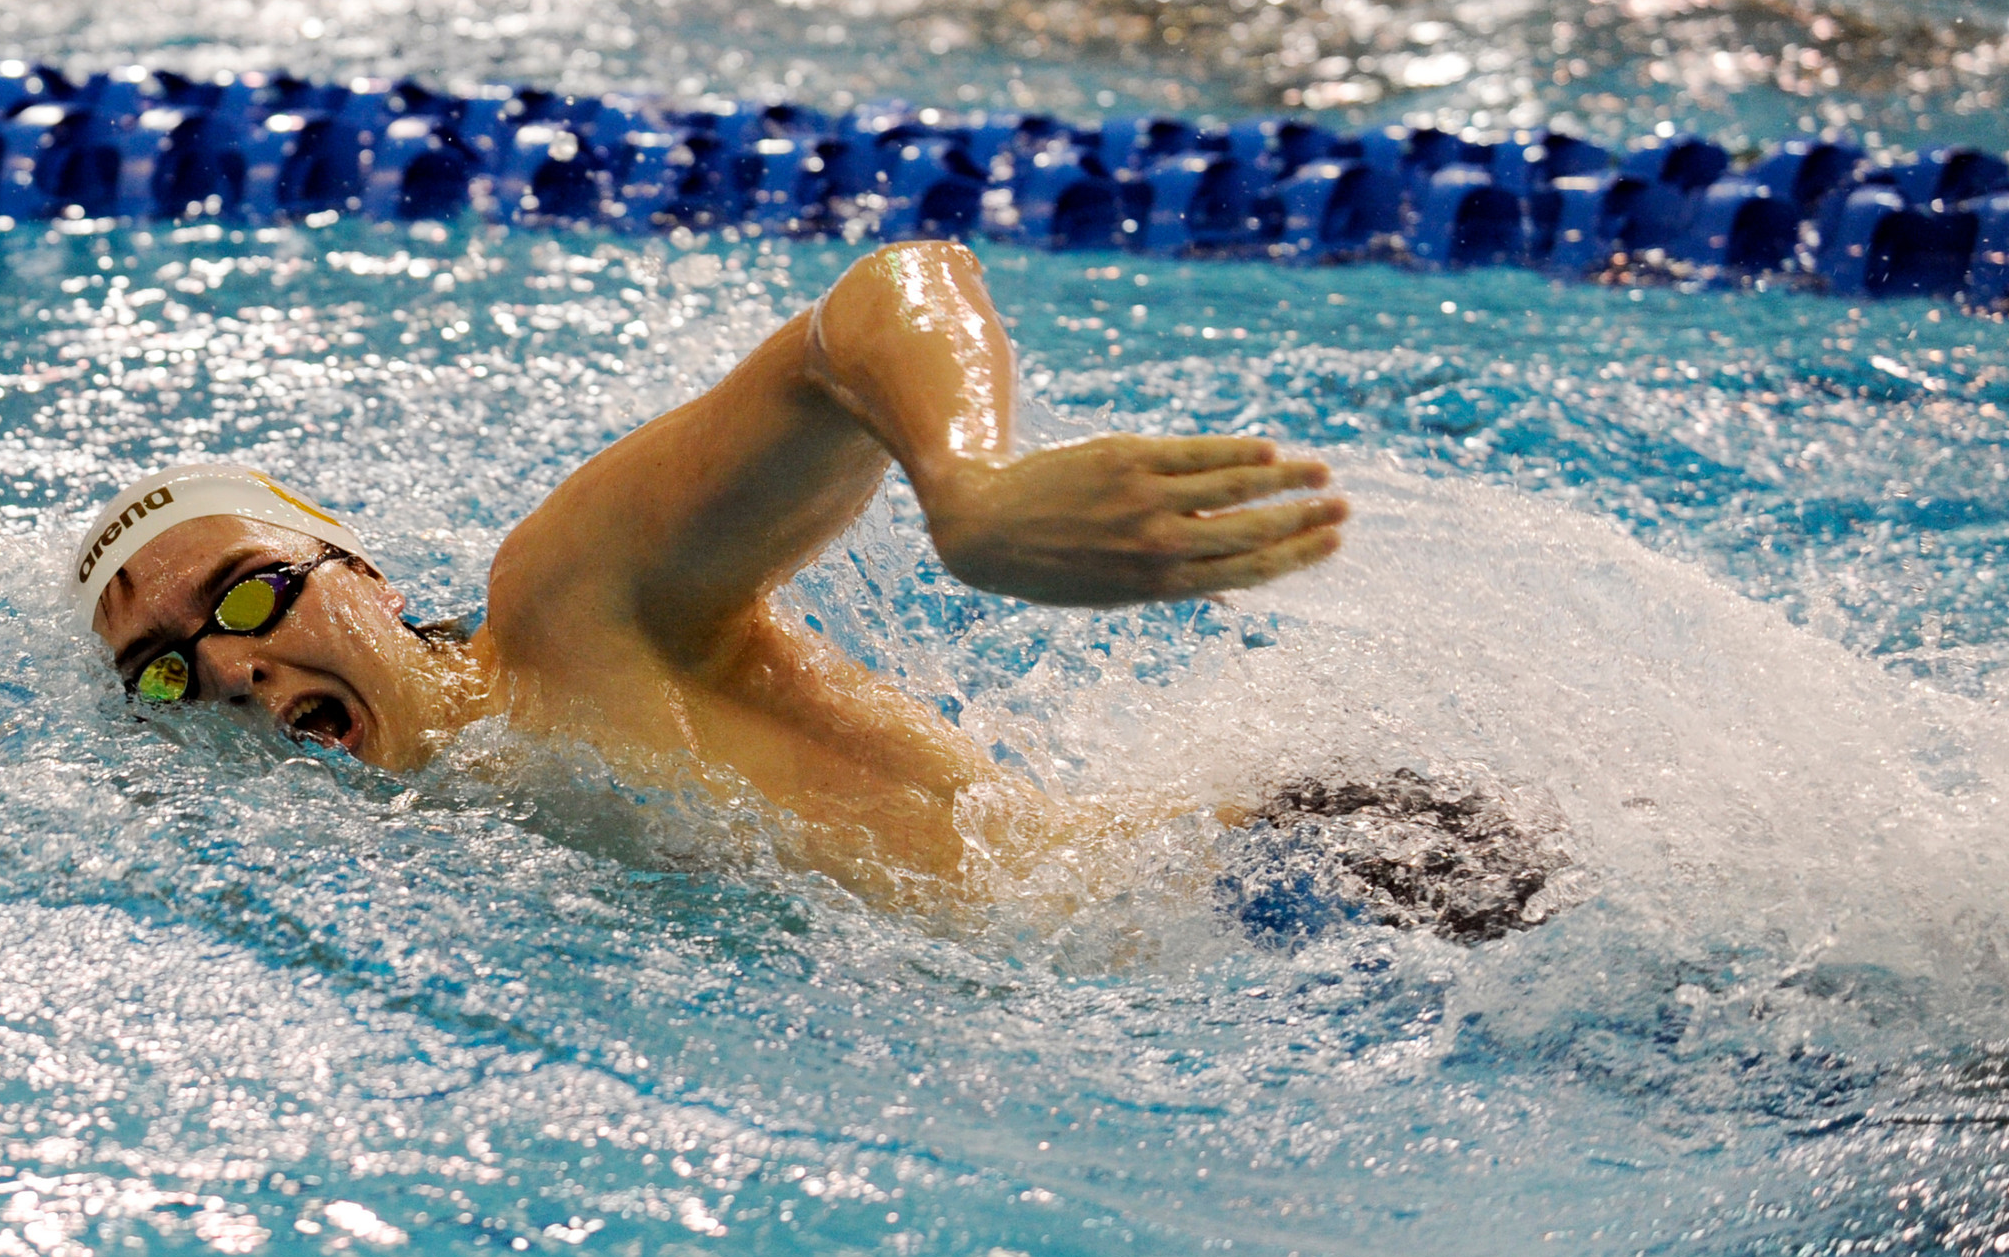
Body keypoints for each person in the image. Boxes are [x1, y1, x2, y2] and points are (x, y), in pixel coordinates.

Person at [76, 240, 1346, 898]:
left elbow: (882, 298)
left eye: (249, 592)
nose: (230, 665)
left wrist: (973, 489)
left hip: (1294, 887)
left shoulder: (564, 609)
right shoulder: (446, 821)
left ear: (369, 577)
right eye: (167, 675)